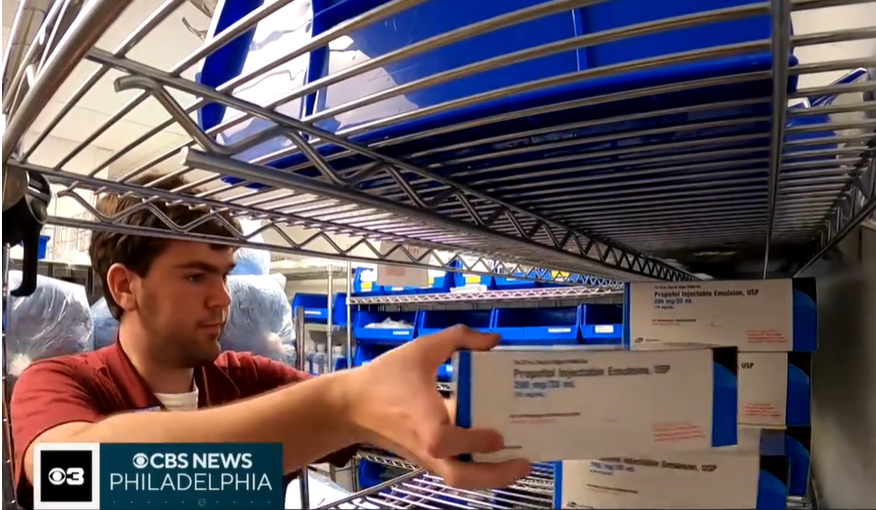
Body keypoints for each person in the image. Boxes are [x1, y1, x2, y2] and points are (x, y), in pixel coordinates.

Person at [9, 174, 531, 510]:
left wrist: (478, 418)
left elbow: (387, 419)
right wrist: (340, 404)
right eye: (195, 277)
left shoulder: (247, 378)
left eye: (224, 275)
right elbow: (70, 474)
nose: (222, 299)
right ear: (125, 286)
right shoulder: (57, 382)